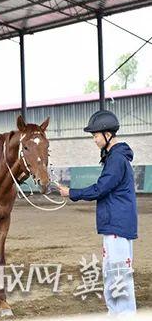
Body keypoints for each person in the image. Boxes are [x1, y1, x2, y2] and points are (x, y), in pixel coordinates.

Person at [59, 110, 137, 316]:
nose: (94, 139)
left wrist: (71, 193)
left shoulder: (117, 159)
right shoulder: (114, 157)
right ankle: (115, 315)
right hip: (114, 224)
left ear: (107, 134)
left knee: (119, 276)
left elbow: (100, 188)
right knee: (112, 275)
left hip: (117, 226)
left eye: (95, 135)